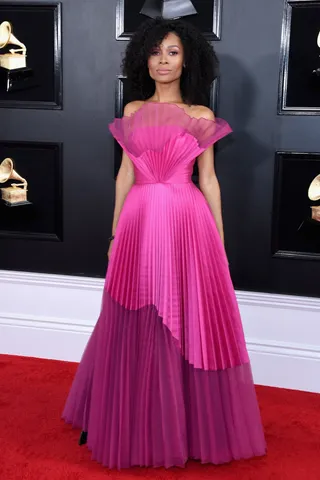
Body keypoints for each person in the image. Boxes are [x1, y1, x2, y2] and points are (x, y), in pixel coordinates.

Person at [62, 17, 266, 469]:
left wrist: (219, 242)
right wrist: (114, 234)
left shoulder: (201, 116)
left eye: (173, 52)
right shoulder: (132, 110)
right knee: (129, 313)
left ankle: (183, 424)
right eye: (156, 52)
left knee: (183, 313)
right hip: (137, 220)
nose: (163, 61)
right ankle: (116, 414)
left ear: (188, 58)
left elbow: (209, 180)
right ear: (144, 59)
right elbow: (125, 175)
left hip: (184, 219)